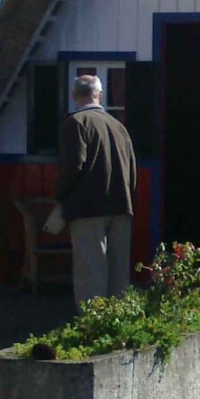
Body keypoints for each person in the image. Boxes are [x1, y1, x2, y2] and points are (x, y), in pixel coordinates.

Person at [56, 75, 137, 306]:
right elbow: (132, 170)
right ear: (99, 95)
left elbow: (73, 166)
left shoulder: (76, 123)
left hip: (87, 208)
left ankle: (92, 326)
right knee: (119, 270)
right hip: (121, 205)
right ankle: (118, 322)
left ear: (74, 96)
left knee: (91, 271)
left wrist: (60, 197)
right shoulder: (119, 127)